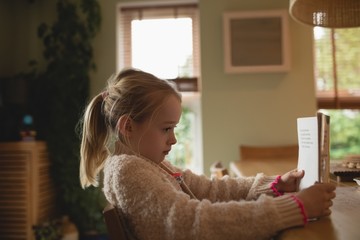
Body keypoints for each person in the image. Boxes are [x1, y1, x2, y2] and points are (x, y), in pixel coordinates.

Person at [79, 68, 336, 240]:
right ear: (128, 126)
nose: (174, 138)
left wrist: (273, 185)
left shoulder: (148, 164)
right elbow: (194, 223)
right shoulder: (129, 171)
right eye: (166, 129)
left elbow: (211, 190)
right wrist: (294, 207)